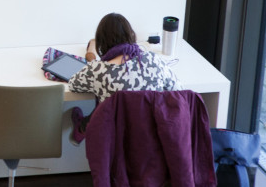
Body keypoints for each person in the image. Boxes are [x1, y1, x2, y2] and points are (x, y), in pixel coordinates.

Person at [67, 13, 182, 145]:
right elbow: (178, 90)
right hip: (153, 144)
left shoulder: (98, 70)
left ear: (101, 42)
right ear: (131, 35)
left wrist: (92, 62)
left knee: (105, 105)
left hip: (116, 146)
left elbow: (73, 84)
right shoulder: (153, 60)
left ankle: (82, 128)